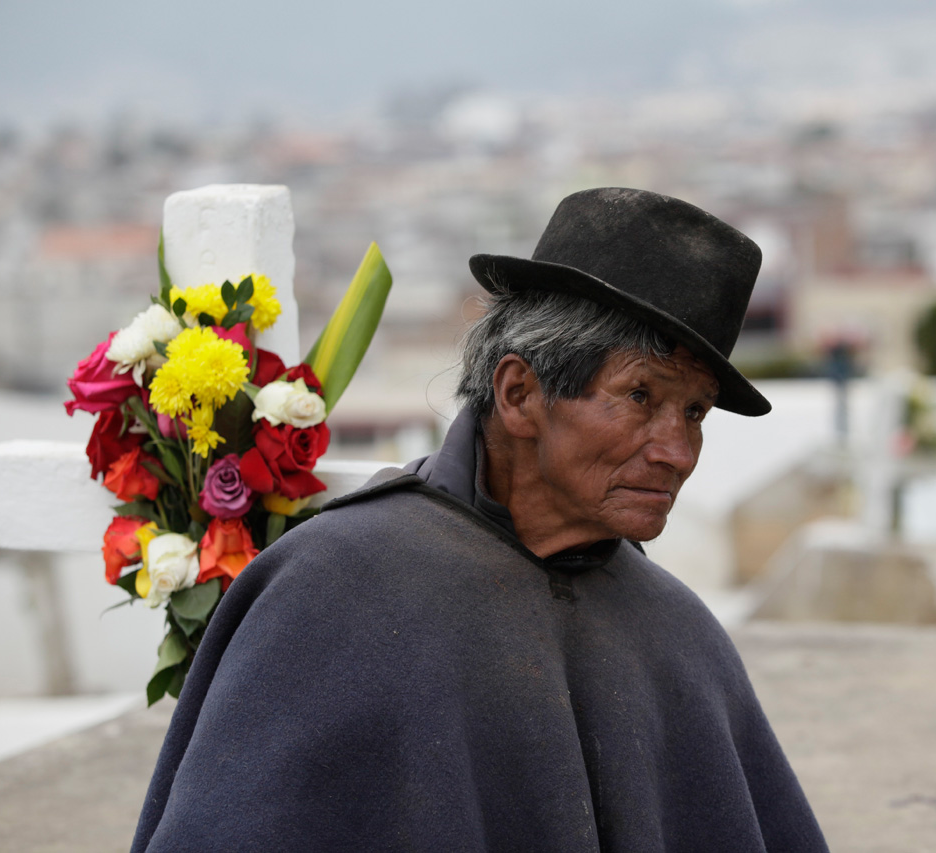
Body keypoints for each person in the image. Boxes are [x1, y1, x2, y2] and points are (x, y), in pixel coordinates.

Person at [132, 187, 829, 852]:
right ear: (520, 393)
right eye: (641, 395)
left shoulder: (678, 635)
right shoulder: (332, 589)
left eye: (695, 412)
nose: (678, 451)